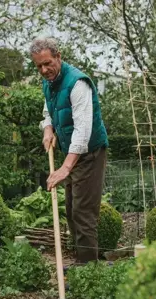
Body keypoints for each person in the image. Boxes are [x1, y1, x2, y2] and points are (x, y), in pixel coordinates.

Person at [30, 37, 108, 264]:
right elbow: (49, 111)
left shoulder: (77, 84)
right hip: (73, 152)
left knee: (83, 213)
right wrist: (48, 129)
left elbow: (83, 133)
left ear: (58, 56)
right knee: (73, 210)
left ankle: (88, 271)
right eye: (39, 66)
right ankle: (82, 262)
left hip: (90, 153)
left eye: (47, 63)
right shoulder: (49, 82)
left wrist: (65, 168)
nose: (44, 70)